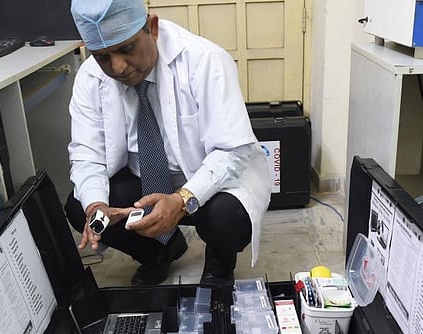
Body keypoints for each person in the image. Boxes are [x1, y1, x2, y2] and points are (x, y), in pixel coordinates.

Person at [66, 0, 270, 287]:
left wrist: (180, 201)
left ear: (152, 27)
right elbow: (87, 155)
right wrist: (96, 204)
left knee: (227, 219)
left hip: (211, 178)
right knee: (80, 205)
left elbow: (230, 151)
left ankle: (219, 263)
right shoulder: (90, 77)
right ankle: (159, 252)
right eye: (102, 56)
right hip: (146, 178)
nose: (118, 66)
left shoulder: (205, 60)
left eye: (126, 49)